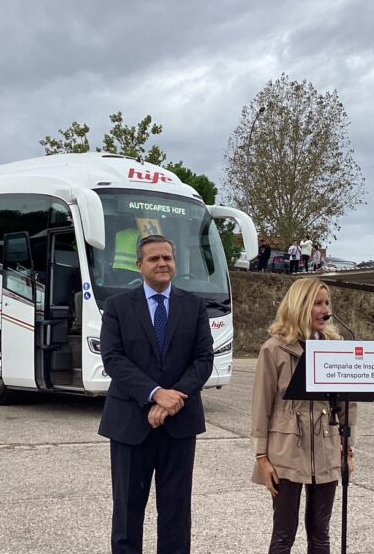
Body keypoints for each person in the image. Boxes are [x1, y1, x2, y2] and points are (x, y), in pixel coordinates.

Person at [98, 234, 214, 554]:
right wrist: (154, 393)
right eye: (154, 259)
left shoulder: (194, 306)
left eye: (167, 258)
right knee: (127, 512)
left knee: (176, 512)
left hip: (180, 424)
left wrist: (172, 397)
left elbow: (203, 360)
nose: (162, 263)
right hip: (130, 424)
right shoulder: (118, 306)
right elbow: (113, 358)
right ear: (140, 266)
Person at [250, 278, 356, 554]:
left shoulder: (336, 346)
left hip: (327, 446)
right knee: (284, 534)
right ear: (300, 306)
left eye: (327, 303)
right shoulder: (274, 349)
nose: (325, 310)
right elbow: (261, 406)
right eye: (317, 303)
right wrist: (261, 457)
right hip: (285, 451)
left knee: (321, 534)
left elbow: (348, 405)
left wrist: (348, 449)